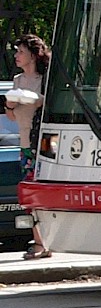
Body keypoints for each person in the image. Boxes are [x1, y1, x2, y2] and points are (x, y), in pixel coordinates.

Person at [3, 34, 51, 259]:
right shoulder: (18, 80)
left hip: (43, 145)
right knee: (30, 196)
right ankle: (40, 242)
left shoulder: (45, 79)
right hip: (25, 146)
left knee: (46, 195)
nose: (16, 56)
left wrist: (33, 99)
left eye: (20, 51)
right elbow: (11, 116)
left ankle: (46, 243)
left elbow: (46, 102)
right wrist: (10, 105)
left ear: (33, 55)